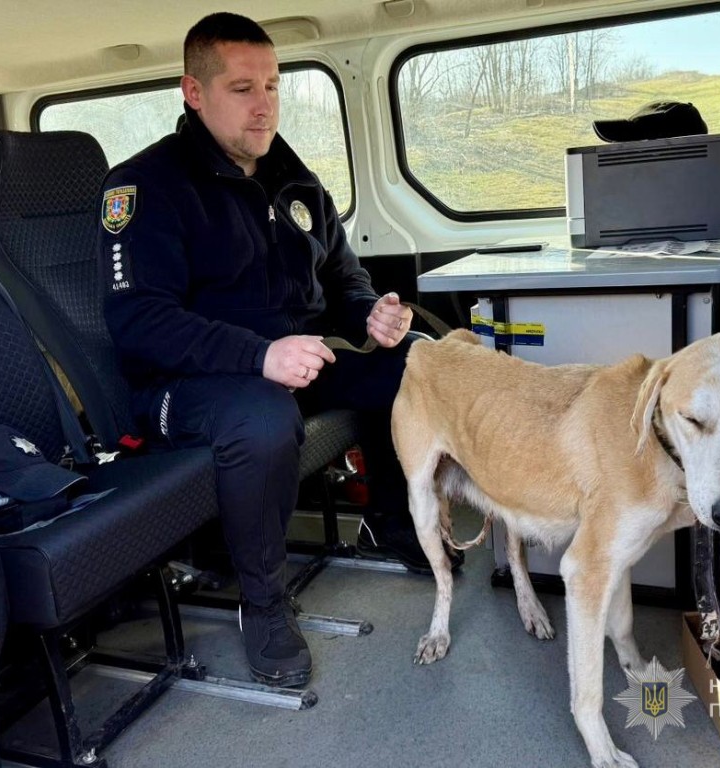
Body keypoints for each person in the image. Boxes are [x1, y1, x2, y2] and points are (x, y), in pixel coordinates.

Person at [98, 11, 459, 689]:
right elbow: (138, 320)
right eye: (241, 88)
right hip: (188, 386)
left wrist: (372, 314)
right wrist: (257, 356)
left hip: (291, 361)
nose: (263, 103)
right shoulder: (146, 187)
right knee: (261, 416)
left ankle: (387, 520)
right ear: (194, 92)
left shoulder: (293, 181)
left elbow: (341, 280)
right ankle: (262, 602)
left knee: (412, 359)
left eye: (271, 85)